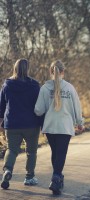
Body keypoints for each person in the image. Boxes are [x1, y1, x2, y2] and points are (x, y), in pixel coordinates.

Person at [34, 60, 84, 195]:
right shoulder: (69, 88)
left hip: (50, 127)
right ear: (63, 72)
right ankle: (56, 178)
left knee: (55, 153)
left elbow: (38, 110)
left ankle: (58, 177)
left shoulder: (44, 88)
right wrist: (80, 122)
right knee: (61, 153)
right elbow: (77, 108)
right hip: (65, 127)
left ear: (51, 71)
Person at [0, 58, 41, 189]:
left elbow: (1, 106)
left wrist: (1, 121)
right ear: (27, 69)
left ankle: (7, 170)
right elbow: (40, 106)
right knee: (31, 152)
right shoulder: (35, 85)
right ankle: (29, 177)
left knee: (11, 149)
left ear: (15, 68)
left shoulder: (7, 85)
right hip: (31, 124)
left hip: (12, 124)